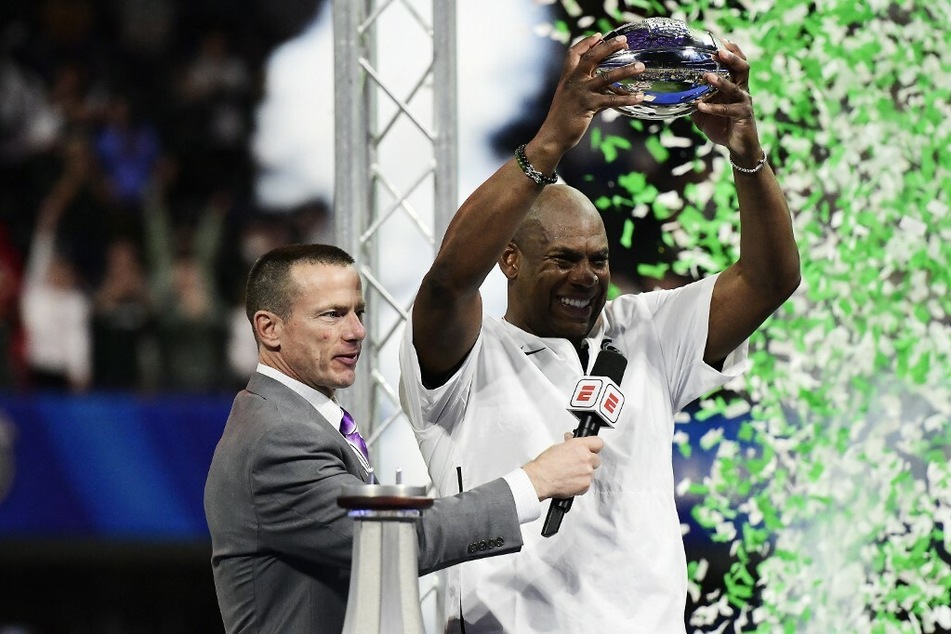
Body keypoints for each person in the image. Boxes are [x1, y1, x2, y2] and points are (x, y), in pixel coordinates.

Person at [398, 33, 801, 633]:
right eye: (563, 259)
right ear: (510, 261)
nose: (586, 277)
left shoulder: (644, 333)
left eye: (599, 259)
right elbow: (447, 284)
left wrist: (746, 153)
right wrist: (554, 136)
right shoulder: (467, 358)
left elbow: (771, 279)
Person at [204, 243, 606, 634]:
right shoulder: (278, 438)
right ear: (269, 329)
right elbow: (393, 541)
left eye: (358, 312)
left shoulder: (297, 418)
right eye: (332, 315)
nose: (357, 332)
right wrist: (534, 481)